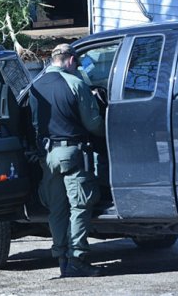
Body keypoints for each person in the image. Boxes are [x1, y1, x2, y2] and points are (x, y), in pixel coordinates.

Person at [29, 43, 105, 278]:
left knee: (57, 208)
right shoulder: (75, 84)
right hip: (72, 153)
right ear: (70, 60)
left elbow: (33, 124)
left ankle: (61, 258)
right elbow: (93, 124)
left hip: (49, 155)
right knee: (79, 205)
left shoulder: (35, 86)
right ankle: (78, 259)